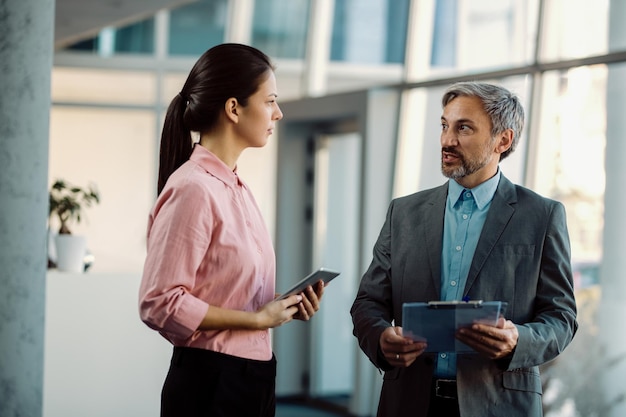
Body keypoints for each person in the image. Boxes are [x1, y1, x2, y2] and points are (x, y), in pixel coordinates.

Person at [350, 81, 577, 417]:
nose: (447, 140)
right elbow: (368, 302)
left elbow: (562, 317)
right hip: (410, 401)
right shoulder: (404, 213)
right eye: (444, 126)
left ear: (504, 139)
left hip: (500, 404)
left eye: (464, 128)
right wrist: (381, 337)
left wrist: (519, 339)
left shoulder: (542, 216)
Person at [138, 43, 324, 417]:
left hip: (252, 375)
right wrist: (256, 319)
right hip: (212, 382)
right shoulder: (193, 187)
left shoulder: (234, 187)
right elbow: (159, 302)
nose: (279, 113)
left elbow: (223, 286)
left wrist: (279, 306)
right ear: (234, 109)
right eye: (270, 101)